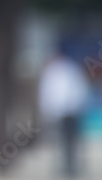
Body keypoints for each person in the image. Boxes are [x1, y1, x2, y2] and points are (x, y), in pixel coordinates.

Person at [38, 43, 89, 178]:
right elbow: (46, 93)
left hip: (71, 111)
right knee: (59, 140)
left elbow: (79, 88)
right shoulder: (50, 71)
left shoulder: (72, 68)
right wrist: (47, 110)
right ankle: (63, 165)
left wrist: (77, 105)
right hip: (57, 112)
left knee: (71, 140)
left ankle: (72, 166)